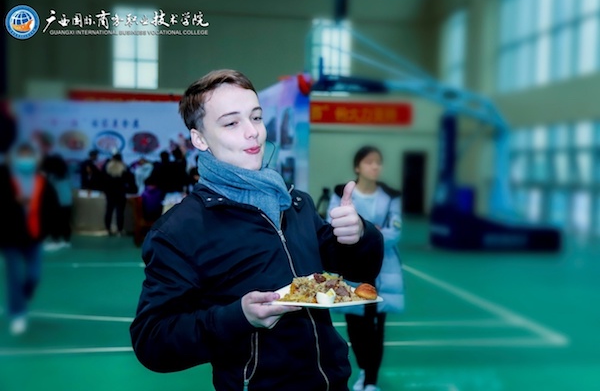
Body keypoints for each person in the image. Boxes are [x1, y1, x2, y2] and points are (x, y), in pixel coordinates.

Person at [130, 69, 384, 391]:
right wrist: (238, 317)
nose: (253, 133)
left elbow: (358, 271)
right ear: (199, 138)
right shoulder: (181, 230)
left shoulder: (295, 204)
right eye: (231, 123)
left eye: (256, 117)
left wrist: (359, 235)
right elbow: (152, 340)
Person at [327, 146, 405, 391]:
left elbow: (394, 232)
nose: (375, 166)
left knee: (376, 327)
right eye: (369, 162)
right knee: (355, 326)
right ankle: (363, 368)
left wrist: (363, 233)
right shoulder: (341, 194)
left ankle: (371, 380)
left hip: (384, 271)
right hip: (353, 269)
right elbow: (333, 227)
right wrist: (372, 232)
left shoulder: (391, 197)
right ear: (357, 167)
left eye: (378, 162)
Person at [0, 142, 59, 335]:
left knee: (34, 275)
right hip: (10, 237)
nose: (25, 160)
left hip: (34, 235)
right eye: (22, 156)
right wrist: (13, 202)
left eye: (28, 156)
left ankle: (22, 296)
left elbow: (51, 206)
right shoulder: (6, 180)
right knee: (14, 276)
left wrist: (49, 230)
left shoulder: (41, 181)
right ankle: (17, 313)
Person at [41, 151, 73, 250]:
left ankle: (56, 240)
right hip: (67, 201)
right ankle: (66, 241)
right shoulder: (66, 174)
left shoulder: (51, 176)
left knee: (54, 222)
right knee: (65, 222)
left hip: (56, 202)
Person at [103, 153, 134, 236]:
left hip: (110, 193)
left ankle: (108, 229)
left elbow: (103, 180)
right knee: (120, 212)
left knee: (109, 211)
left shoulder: (108, 167)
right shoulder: (124, 167)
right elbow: (130, 180)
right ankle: (119, 230)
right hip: (120, 193)